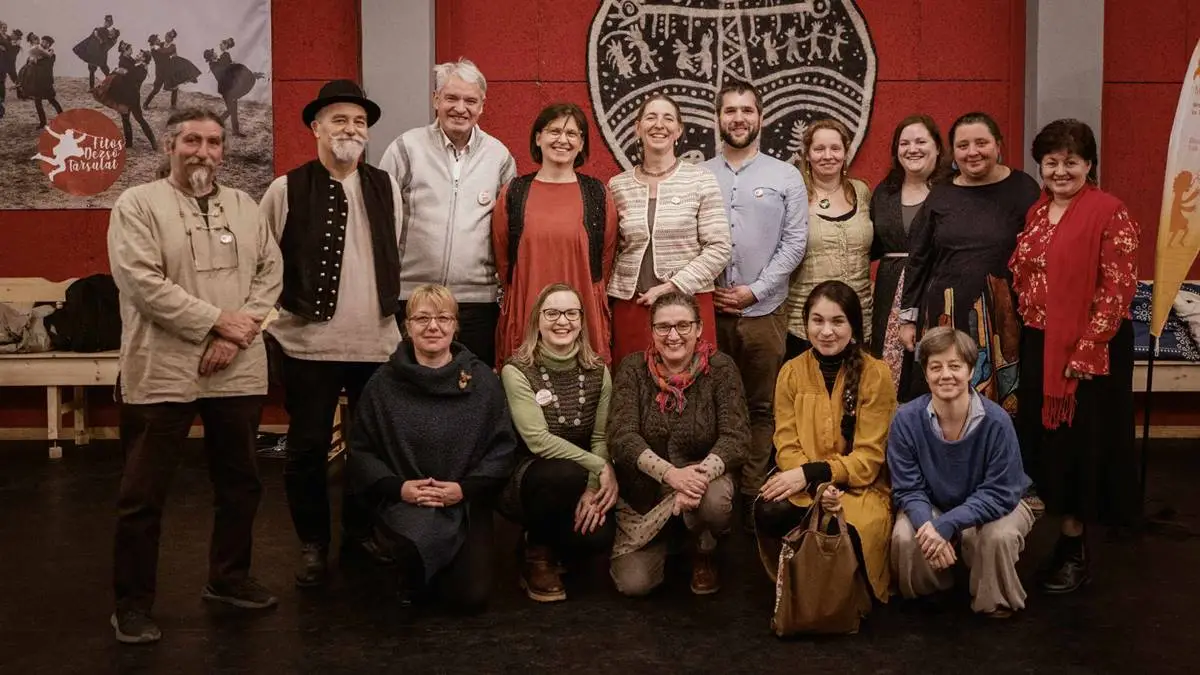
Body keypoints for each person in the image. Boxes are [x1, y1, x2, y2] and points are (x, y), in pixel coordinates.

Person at [106, 108, 283, 644]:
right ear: (169, 146)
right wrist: (215, 323)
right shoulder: (138, 205)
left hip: (238, 365)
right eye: (191, 140)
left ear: (223, 150)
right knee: (143, 495)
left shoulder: (245, 206)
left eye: (213, 142)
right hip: (162, 365)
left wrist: (233, 334)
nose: (203, 151)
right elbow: (142, 283)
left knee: (240, 482)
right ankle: (131, 604)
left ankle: (228, 578)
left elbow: (270, 274)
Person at [260, 80, 404, 587]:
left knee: (372, 450)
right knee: (306, 451)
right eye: (339, 119)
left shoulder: (386, 186)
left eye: (359, 122)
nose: (351, 129)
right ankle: (313, 544)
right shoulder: (285, 189)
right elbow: (264, 261)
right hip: (308, 345)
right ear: (316, 128)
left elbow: (396, 251)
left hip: (377, 343)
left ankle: (360, 534)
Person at [1010, 119, 1141, 593]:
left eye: (1071, 162)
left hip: (1090, 351)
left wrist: (1086, 350)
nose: (1060, 171)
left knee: (1081, 449)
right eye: (1051, 162)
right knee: (1048, 446)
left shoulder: (1111, 212)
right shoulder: (1038, 211)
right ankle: (1056, 539)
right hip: (1040, 342)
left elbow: (1117, 290)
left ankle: (1075, 549)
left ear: (1089, 164)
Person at [346, 284, 516, 610]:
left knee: (470, 597)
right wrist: (400, 488)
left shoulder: (482, 381)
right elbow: (362, 450)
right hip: (406, 499)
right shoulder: (383, 383)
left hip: (464, 501)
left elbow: (502, 448)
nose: (433, 327)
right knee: (416, 570)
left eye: (443, 318)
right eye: (422, 318)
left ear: (455, 326)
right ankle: (411, 569)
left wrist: (463, 490)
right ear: (407, 326)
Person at [701, 80, 807, 526]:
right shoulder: (699, 174)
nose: (739, 118)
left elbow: (795, 241)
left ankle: (749, 496)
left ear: (761, 117)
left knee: (761, 406)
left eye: (747, 110)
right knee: (713, 405)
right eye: (730, 110)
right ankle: (715, 495)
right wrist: (708, 287)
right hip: (709, 313)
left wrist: (756, 289)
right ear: (718, 118)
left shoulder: (785, 176)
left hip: (764, 312)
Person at [755, 280, 896, 604]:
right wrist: (814, 483)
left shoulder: (876, 374)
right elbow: (786, 444)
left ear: (853, 326)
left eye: (837, 321)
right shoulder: (791, 372)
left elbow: (869, 459)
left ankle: (841, 599)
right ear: (805, 324)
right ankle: (797, 590)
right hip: (805, 483)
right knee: (769, 510)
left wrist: (819, 476)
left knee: (847, 523)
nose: (827, 331)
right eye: (817, 320)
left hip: (859, 487)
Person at [607, 291, 750, 596]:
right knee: (634, 584)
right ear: (652, 330)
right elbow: (622, 436)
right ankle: (671, 539)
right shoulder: (632, 369)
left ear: (699, 328)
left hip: (703, 484)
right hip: (648, 494)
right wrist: (671, 475)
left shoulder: (721, 369)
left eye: (683, 326)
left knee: (713, 502)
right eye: (663, 327)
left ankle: (704, 548)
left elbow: (736, 437)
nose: (673, 336)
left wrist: (694, 480)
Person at [888, 327, 1035, 619]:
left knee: (998, 536)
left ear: (971, 371)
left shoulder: (997, 421)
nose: (946, 375)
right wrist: (929, 527)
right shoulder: (906, 420)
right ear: (925, 373)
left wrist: (948, 523)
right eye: (936, 367)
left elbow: (1000, 493)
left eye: (955, 366)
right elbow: (908, 488)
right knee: (905, 536)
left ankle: (995, 602)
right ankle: (932, 590)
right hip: (934, 502)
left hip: (997, 505)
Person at [898, 112, 1041, 408]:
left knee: (1003, 404)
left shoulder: (1024, 189)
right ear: (953, 152)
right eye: (963, 145)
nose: (972, 152)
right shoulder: (941, 194)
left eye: (981, 143)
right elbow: (918, 259)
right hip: (944, 317)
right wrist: (907, 319)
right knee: (943, 401)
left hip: (1004, 321)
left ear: (998, 145)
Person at [380, 58, 516, 368]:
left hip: (476, 304)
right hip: (412, 298)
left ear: (482, 106)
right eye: (451, 98)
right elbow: (381, 224)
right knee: (410, 385)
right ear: (435, 100)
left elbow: (507, 230)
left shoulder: (499, 157)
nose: (460, 108)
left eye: (470, 100)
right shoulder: (405, 148)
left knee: (470, 385)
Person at [498, 283, 617, 602]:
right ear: (537, 320)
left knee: (598, 538)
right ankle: (536, 552)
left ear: (582, 321)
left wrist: (593, 488)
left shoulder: (598, 370)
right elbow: (538, 441)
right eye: (552, 313)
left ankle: (561, 547)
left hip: (581, 477)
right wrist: (599, 467)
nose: (562, 321)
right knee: (561, 474)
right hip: (531, 475)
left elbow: (600, 436)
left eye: (571, 313)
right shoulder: (517, 369)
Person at [607, 92, 732, 365]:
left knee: (690, 381)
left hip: (688, 306)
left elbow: (720, 248)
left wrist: (673, 286)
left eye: (668, 118)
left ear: (678, 130)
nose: (659, 125)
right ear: (637, 128)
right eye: (651, 117)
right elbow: (610, 250)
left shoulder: (701, 180)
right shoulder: (617, 186)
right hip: (633, 306)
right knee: (633, 380)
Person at [492, 103, 618, 367]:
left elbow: (605, 262)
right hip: (526, 313)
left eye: (572, 133)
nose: (563, 139)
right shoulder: (514, 192)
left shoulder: (598, 194)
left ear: (581, 144)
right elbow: (503, 261)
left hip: (583, 315)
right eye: (554, 131)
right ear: (538, 138)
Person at [784, 118, 873, 361]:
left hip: (858, 319)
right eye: (819, 149)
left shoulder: (861, 191)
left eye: (835, 148)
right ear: (807, 154)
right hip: (806, 324)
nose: (827, 156)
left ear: (845, 153)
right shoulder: (794, 195)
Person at [870, 114, 948, 390]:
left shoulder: (951, 190)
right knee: (888, 372)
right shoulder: (884, 192)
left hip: (935, 287)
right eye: (904, 143)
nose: (912, 149)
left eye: (921, 142)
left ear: (937, 147)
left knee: (931, 360)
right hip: (889, 290)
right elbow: (872, 245)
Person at [92, 42, 157, 149]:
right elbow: (124, 60)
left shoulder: (142, 69)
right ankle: (129, 143)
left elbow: (132, 76)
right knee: (126, 119)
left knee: (139, 119)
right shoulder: (136, 64)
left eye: (140, 55)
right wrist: (120, 69)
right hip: (126, 96)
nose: (137, 55)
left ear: (143, 59)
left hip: (133, 98)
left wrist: (122, 71)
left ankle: (153, 142)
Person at [202, 39, 263, 137]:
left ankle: (234, 131)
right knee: (232, 110)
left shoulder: (219, 61)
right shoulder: (213, 65)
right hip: (227, 90)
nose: (215, 53)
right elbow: (224, 70)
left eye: (214, 52)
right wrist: (225, 56)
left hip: (231, 88)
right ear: (211, 57)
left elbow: (230, 70)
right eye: (213, 53)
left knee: (232, 110)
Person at [144, 30, 201, 110]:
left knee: (174, 87)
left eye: (169, 37)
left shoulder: (166, 46)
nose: (161, 39)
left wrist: (158, 48)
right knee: (156, 89)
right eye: (157, 39)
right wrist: (156, 47)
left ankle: (173, 106)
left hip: (169, 70)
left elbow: (167, 51)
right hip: (160, 72)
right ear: (154, 42)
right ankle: (145, 104)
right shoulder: (156, 48)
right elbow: (163, 52)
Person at [18, 34, 63, 128]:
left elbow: (46, 66)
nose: (43, 43)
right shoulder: (37, 53)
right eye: (42, 41)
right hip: (37, 82)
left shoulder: (52, 55)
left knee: (52, 100)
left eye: (46, 42)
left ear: (49, 45)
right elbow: (29, 64)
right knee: (37, 102)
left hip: (46, 82)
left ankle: (63, 117)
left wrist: (35, 61)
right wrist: (31, 61)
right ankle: (42, 122)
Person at [72, 14, 118, 89]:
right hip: (93, 55)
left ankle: (112, 85)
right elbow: (91, 39)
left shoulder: (111, 39)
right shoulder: (100, 30)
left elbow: (104, 44)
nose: (107, 24)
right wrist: (96, 33)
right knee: (92, 71)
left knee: (105, 70)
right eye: (106, 22)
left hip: (101, 56)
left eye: (109, 23)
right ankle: (92, 87)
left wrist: (98, 36)